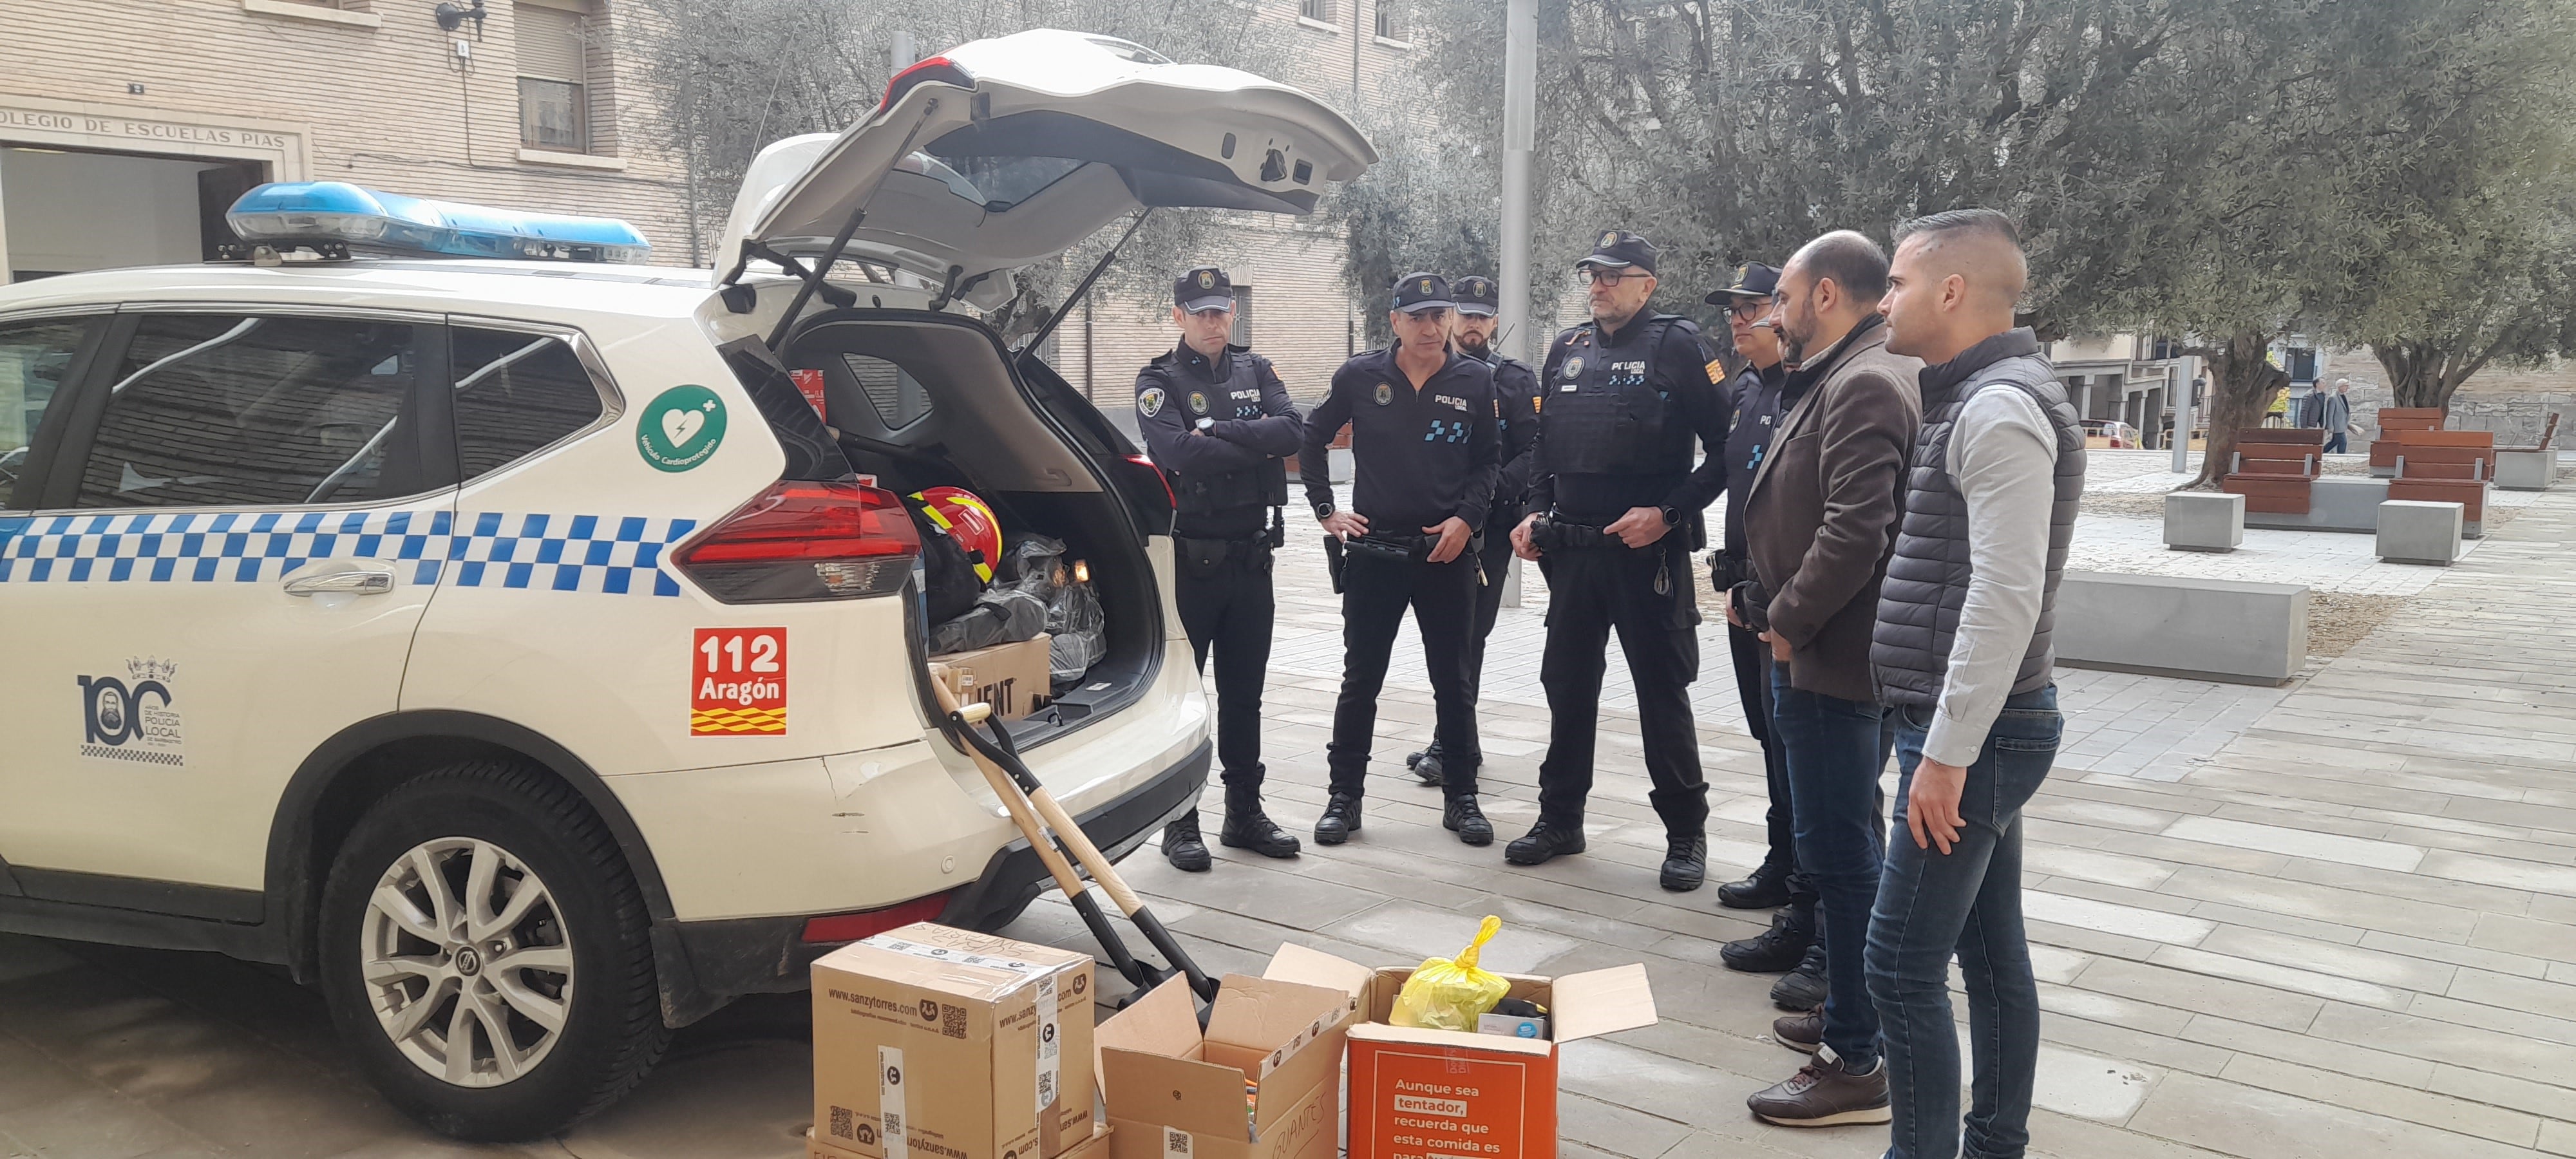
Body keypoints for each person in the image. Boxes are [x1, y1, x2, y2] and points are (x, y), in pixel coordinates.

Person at [1862, 208, 2082, 1159]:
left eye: (1900, 283)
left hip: (1973, 738)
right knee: (1990, 958)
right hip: (1977, 730)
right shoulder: (1976, 395)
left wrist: (1945, 754)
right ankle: (1995, 1146)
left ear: (1952, 291)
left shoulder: (1997, 406)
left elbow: (2004, 592)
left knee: (1897, 971)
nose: (1885, 302)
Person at [1736, 231, 1922, 1127]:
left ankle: (1857, 1058)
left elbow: (1859, 530)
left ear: (1824, 297)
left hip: (1832, 663)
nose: (1772, 311)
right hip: (1821, 654)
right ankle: (1857, 1008)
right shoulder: (1852, 372)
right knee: (1842, 850)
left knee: (1844, 859)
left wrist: (1785, 619)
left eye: (1782, 295)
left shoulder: (1867, 381)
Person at [1505, 230, 1731, 892]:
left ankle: (1686, 832)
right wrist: (1532, 510)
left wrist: (1666, 513)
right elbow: (1544, 446)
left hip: (1646, 557)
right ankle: (1559, 819)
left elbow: (1725, 451)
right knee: (1566, 689)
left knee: (1662, 694)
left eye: (1612, 274)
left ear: (1646, 284)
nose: (1597, 284)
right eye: (1591, 273)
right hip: (1572, 554)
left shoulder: (1679, 345)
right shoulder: (1567, 349)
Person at [1300, 272, 1502, 847]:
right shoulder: (1360, 376)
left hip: (1446, 555)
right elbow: (1311, 439)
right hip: (1374, 553)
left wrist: (1467, 520)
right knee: (1361, 680)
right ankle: (1345, 799)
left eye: (1439, 315)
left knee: (1454, 683)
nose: (1431, 327)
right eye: (1417, 316)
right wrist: (1325, 510)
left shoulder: (1475, 379)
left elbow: (1489, 461)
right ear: (1394, 322)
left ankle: (1462, 800)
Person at [1134, 267, 1305, 871]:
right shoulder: (1159, 379)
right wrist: (1250, 442)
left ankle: (1244, 814)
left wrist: (1221, 430)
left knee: (1245, 695)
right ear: (1178, 315)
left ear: (1232, 312)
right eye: (1200, 312)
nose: (1212, 322)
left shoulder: (1256, 369)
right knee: (1189, 697)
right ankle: (1181, 823)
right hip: (1193, 563)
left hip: (1253, 558)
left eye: (1221, 311)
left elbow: (1293, 431)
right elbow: (1177, 451)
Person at [1701, 262, 1815, 974]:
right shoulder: (1745, 390)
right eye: (1732, 313)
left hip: (1795, 606)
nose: (1739, 323)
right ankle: (1782, 864)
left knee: (1804, 751)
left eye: (1752, 310)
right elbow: (1727, 477)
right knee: (1769, 740)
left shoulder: (1812, 391)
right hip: (1747, 597)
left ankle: (1809, 900)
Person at [1406, 274, 1542, 789]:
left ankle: (1452, 744)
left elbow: (1534, 452)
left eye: (1484, 317)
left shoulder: (1515, 380)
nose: (1474, 326)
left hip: (1488, 528)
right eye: (1465, 316)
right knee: (1447, 639)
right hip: (1438, 523)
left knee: (1468, 638)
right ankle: (1460, 739)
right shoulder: (1431, 371)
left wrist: (1481, 498)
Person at [2309, 377, 2354, 453]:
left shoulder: (2343, 396)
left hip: (2342, 426)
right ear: (2341, 386)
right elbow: (2330, 414)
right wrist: (2330, 428)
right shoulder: (2333, 398)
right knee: (2342, 442)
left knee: (2337, 442)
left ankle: (2321, 453)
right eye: (2346, 386)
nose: (2347, 388)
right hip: (2337, 427)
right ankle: (2322, 453)